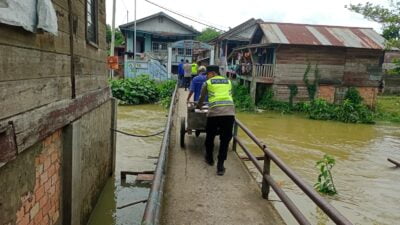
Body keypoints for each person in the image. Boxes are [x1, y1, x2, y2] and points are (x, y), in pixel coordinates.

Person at [197, 65, 235, 176]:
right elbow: (229, 95)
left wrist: (198, 107)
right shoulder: (228, 82)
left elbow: (202, 98)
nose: (206, 77)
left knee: (210, 136)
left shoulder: (208, 83)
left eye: (207, 74)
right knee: (225, 139)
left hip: (214, 113)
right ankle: (220, 166)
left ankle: (209, 159)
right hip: (229, 112)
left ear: (212, 73)